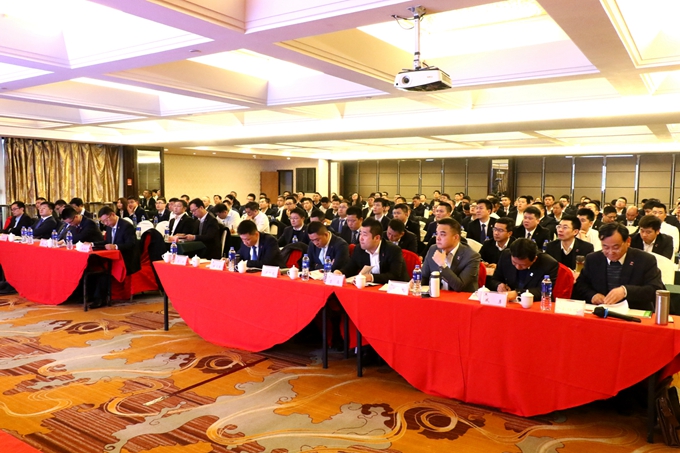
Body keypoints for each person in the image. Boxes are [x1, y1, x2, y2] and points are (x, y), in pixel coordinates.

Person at [572, 223, 664, 311]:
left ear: (628, 241)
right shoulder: (593, 259)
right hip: (601, 311)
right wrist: (592, 295)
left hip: (634, 312)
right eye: (605, 247)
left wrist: (626, 291)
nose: (610, 252)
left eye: (616, 247)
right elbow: (581, 284)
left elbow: (655, 289)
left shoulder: (645, 260)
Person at [338, 218, 408, 284]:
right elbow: (350, 268)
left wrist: (371, 277)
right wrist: (340, 272)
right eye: (360, 234)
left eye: (365, 235)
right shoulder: (359, 249)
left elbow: (394, 275)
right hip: (369, 288)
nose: (361, 238)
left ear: (377, 238)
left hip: (394, 289)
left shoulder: (393, 250)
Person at [486, 238, 559, 301]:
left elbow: (544, 291)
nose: (518, 267)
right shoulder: (505, 255)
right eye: (514, 262)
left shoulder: (549, 264)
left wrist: (518, 293)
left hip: (533, 304)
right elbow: (494, 279)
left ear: (534, 259)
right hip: (508, 302)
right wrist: (499, 285)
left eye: (523, 265)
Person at [421, 217, 480, 292]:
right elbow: (424, 276)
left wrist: (442, 265)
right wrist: (415, 282)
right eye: (437, 234)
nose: (438, 238)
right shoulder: (433, 249)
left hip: (461, 297)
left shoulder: (471, 256)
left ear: (455, 237)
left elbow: (459, 286)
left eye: (442, 234)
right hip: (437, 295)